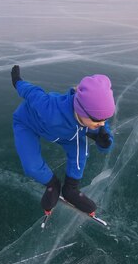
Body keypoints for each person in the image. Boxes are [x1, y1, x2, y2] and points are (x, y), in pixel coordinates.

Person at [11, 65, 115, 217]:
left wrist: (105, 142)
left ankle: (70, 188)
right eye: (97, 120)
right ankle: (52, 184)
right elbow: (32, 93)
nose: (101, 124)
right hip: (29, 123)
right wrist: (17, 81)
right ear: (81, 110)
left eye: (106, 119)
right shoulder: (50, 108)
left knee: (81, 153)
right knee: (31, 166)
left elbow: (103, 132)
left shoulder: (94, 119)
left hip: (69, 134)